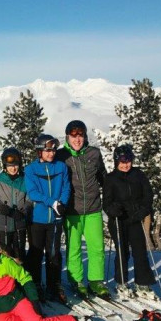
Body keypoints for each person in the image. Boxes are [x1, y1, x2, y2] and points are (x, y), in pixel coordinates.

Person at [0, 233, 86, 321]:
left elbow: (25, 278)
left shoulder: (4, 262)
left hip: (17, 301)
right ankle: (35, 320)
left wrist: (34, 301)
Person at [56, 119, 109, 299]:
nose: (77, 139)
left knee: (97, 247)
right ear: (68, 137)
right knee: (74, 248)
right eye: (73, 136)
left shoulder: (94, 153)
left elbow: (103, 177)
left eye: (80, 135)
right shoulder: (61, 156)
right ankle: (76, 280)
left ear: (85, 136)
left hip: (94, 208)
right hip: (72, 210)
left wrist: (111, 199)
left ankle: (95, 281)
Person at [103, 145, 156, 299]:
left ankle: (142, 282)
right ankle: (121, 282)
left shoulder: (138, 174)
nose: (125, 164)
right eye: (121, 161)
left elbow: (148, 195)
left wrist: (144, 210)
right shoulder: (111, 178)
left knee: (140, 251)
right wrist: (113, 210)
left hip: (136, 218)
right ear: (116, 161)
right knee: (122, 252)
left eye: (128, 161)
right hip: (119, 220)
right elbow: (106, 202)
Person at [24, 134, 71, 304]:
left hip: (55, 220)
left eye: (53, 150)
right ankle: (36, 284)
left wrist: (62, 204)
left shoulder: (61, 167)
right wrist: (53, 202)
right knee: (36, 253)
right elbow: (33, 192)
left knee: (53, 253)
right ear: (39, 151)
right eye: (47, 150)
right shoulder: (30, 170)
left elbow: (66, 187)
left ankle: (54, 285)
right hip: (37, 218)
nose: (51, 153)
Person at [0, 147, 29, 262]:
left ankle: (20, 278)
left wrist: (24, 211)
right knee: (5, 253)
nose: (13, 168)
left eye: (16, 165)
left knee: (19, 251)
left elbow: (30, 201)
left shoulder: (25, 180)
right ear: (5, 166)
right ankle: (7, 279)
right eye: (10, 165)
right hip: (3, 224)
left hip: (19, 223)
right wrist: (1, 209)